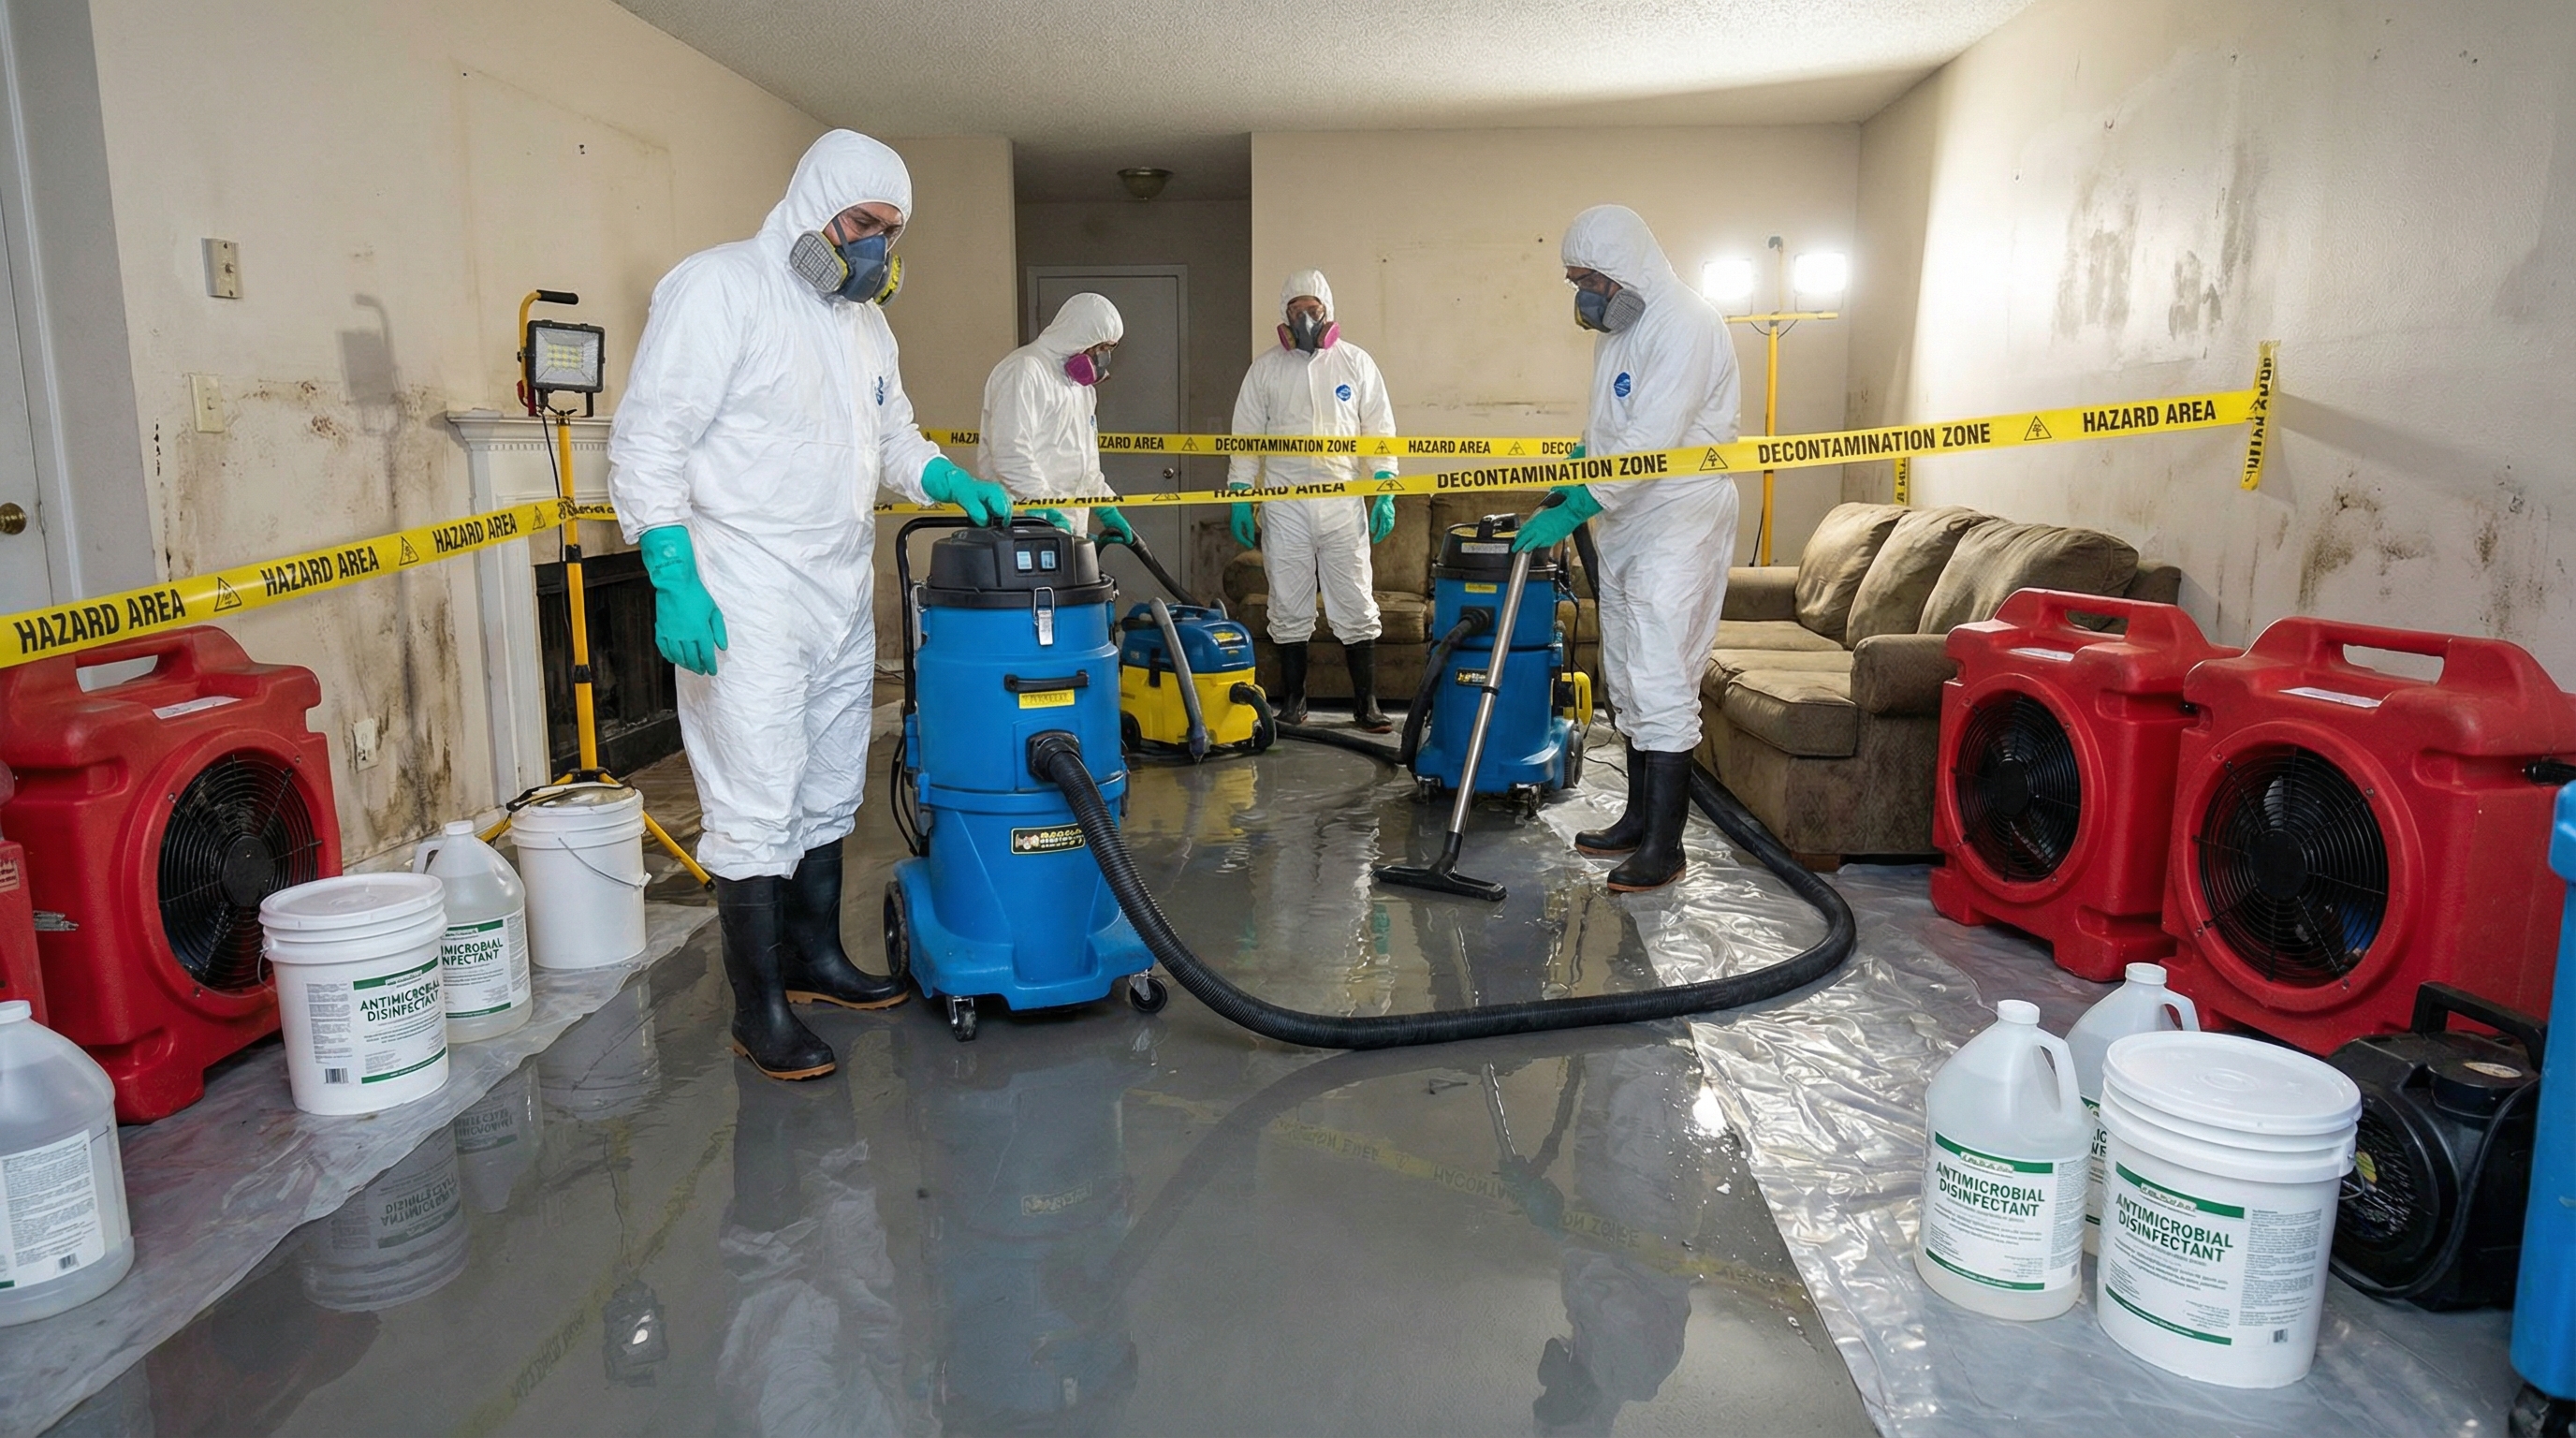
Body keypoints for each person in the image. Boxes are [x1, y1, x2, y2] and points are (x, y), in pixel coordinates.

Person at [610, 129, 1014, 1082]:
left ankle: (816, 961)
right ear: (812, 209)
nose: (876, 248)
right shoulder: (718, 289)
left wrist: (947, 476)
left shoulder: (864, 325)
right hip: (741, 591)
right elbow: (650, 437)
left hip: (836, 588)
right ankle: (759, 1012)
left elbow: (892, 438)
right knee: (754, 800)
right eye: (861, 225)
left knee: (829, 782)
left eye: (890, 232)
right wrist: (671, 572)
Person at [1515, 205, 1741, 892]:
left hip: (1678, 514)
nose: (1584, 295)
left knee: (1663, 671)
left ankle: (1665, 848)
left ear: (1626, 269)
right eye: (1574, 281)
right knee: (1632, 675)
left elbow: (1652, 439)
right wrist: (1577, 474)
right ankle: (1639, 820)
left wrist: (1586, 498)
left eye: (1591, 279)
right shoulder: (1621, 329)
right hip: (1630, 514)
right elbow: (1613, 426)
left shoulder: (1686, 322)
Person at [1227, 270, 1401, 732]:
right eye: (1295, 311)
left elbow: (1379, 432)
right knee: (1287, 602)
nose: (1305, 319)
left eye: (1313, 310)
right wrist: (1241, 495)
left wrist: (1384, 489)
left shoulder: (1356, 364)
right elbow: (1245, 437)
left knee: (1355, 600)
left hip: (1343, 502)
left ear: (1328, 312)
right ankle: (1294, 703)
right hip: (1285, 506)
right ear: (1284, 316)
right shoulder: (1265, 369)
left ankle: (1366, 706)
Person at [977, 291, 1135, 548]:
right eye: (1101, 347)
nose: (1102, 358)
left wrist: (1106, 507)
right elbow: (1010, 453)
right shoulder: (1025, 370)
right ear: (1080, 335)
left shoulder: (1082, 389)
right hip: (1022, 527)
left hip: (1065, 530)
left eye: (1108, 349)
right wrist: (1046, 508)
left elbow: (1085, 462)